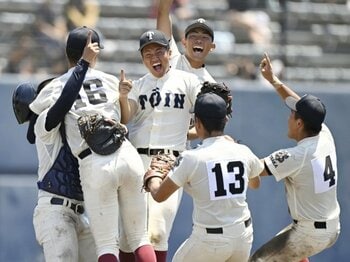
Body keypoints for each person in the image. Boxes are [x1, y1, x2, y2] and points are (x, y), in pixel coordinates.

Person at [29, 26, 156, 262]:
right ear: (95, 53)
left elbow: (46, 108)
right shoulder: (108, 80)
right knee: (140, 238)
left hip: (94, 163)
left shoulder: (55, 87)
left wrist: (82, 67)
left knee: (108, 246)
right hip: (126, 154)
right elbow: (131, 116)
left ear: (67, 53)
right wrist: (121, 97)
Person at [144, 91, 263, 262]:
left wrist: (153, 178)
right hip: (243, 235)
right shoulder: (242, 150)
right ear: (226, 120)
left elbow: (159, 195)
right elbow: (255, 183)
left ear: (197, 123)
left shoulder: (191, 157)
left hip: (210, 240)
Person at [119, 29, 202, 262]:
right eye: (147, 53)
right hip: (136, 161)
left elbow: (210, 117)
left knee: (157, 232)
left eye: (159, 51)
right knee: (127, 235)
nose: (154, 57)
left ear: (168, 52)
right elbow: (126, 118)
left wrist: (188, 135)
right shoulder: (138, 85)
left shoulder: (188, 81)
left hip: (169, 162)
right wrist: (123, 98)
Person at [249, 53, 340, 261]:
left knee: (259, 260)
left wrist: (231, 149)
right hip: (331, 226)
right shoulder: (324, 132)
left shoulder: (297, 156)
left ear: (299, 123)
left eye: (292, 114)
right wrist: (274, 80)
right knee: (293, 255)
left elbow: (256, 168)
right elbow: (300, 104)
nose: (289, 115)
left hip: (310, 233)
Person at [13, 74, 97, 261]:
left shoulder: (74, 128)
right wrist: (82, 66)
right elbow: (63, 103)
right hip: (55, 212)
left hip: (80, 214)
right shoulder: (44, 123)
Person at [157, 0, 216, 83]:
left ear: (212, 47)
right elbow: (163, 12)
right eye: (193, 36)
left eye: (205, 37)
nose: (199, 40)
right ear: (184, 42)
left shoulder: (211, 86)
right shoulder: (172, 58)